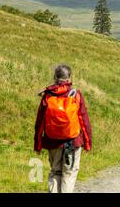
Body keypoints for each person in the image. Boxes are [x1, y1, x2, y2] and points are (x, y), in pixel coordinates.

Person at [34, 64, 92, 193]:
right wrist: (87, 143)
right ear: (69, 78)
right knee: (69, 174)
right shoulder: (75, 95)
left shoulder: (48, 95)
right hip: (73, 142)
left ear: (55, 77)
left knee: (55, 172)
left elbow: (40, 123)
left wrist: (38, 144)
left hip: (52, 142)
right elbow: (84, 121)